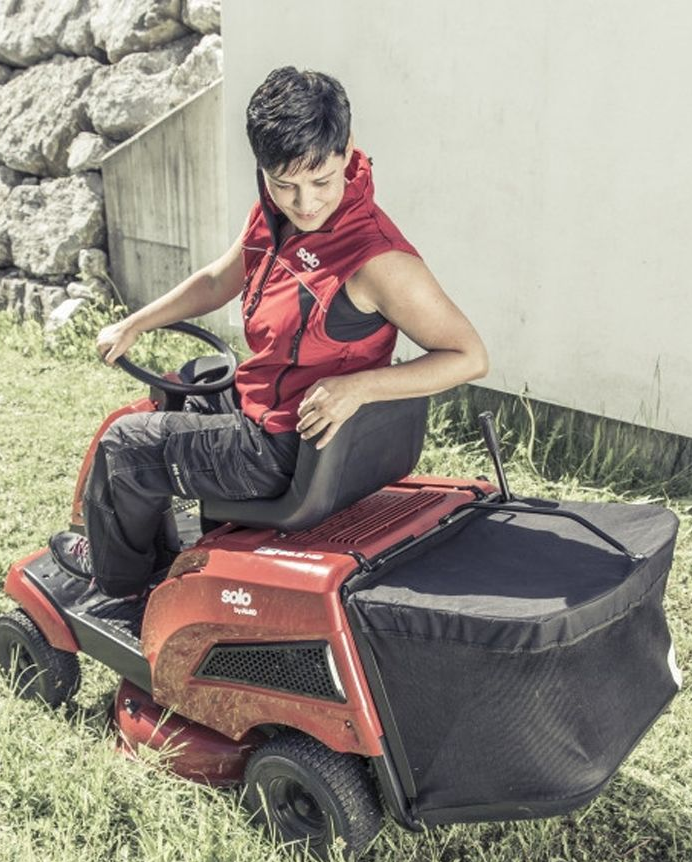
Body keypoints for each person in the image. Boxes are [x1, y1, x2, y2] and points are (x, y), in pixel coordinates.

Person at [50, 66, 488, 598]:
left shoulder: (377, 260)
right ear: (264, 168)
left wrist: (358, 387)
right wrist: (135, 322)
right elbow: (219, 280)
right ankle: (182, 545)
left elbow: (468, 356)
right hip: (266, 403)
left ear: (347, 150)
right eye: (285, 185)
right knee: (183, 384)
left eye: (322, 182)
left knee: (124, 444)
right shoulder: (272, 214)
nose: (305, 204)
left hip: (283, 444)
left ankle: (119, 584)